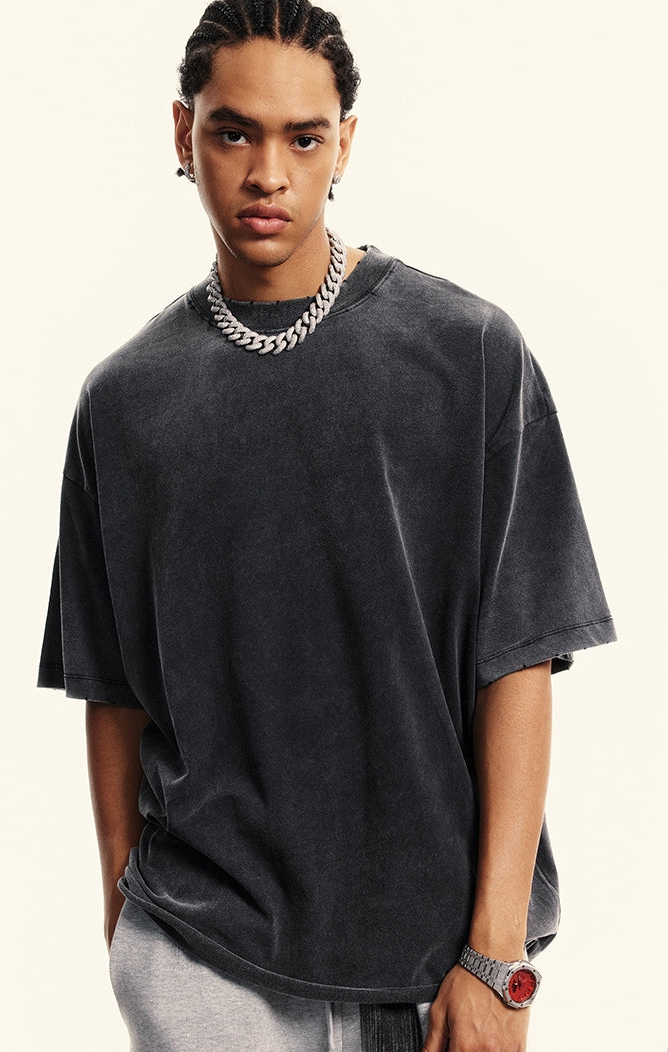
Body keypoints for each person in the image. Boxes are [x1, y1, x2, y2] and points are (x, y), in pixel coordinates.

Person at [37, 2, 616, 1049]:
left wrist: (496, 958)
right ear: (183, 134)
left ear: (344, 143)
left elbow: (519, 660)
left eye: (303, 138)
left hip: (434, 966)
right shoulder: (123, 402)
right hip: (203, 957)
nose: (269, 174)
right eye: (234, 132)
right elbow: (112, 689)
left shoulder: (470, 355)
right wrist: (125, 927)